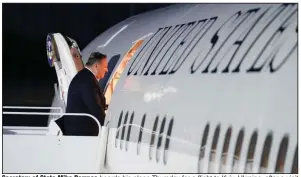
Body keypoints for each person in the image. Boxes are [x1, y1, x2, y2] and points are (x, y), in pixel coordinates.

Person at [63, 52, 108, 136]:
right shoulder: (88, 81)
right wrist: (107, 127)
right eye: (105, 67)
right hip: (83, 133)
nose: (107, 70)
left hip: (75, 130)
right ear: (96, 66)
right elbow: (94, 107)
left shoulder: (82, 76)